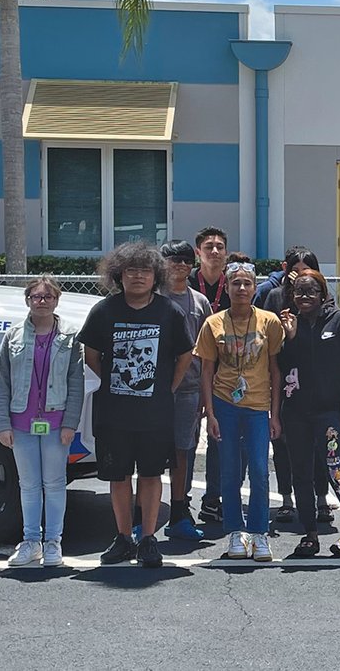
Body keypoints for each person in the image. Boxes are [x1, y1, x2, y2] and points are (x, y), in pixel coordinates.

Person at [80, 243, 193, 568]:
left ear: (155, 275)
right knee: (119, 478)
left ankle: (147, 539)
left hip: (156, 415)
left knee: (150, 474)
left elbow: (185, 355)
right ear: (119, 274)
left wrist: (167, 387)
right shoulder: (104, 311)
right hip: (114, 414)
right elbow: (91, 355)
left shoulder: (169, 311)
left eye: (145, 271)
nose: (138, 276)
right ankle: (123, 538)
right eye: (131, 270)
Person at [196, 254, 285, 562]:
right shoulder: (213, 323)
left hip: (258, 406)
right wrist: (210, 414)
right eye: (236, 283)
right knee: (230, 472)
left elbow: (276, 369)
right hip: (225, 405)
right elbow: (207, 370)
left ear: (255, 286)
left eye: (247, 283)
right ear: (228, 286)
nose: (242, 289)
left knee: (260, 471)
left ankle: (259, 533)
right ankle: (235, 531)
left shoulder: (269, 321)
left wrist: (276, 414)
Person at [0, 275, 85, 567]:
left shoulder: (70, 337)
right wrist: (2, 423)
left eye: (48, 297)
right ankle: (31, 540)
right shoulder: (14, 335)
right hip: (21, 421)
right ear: (28, 300)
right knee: (29, 485)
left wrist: (71, 422)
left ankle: (53, 542)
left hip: (57, 420)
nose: (42, 302)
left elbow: (76, 382)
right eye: (36, 297)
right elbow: (2, 381)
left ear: (57, 300)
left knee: (55, 483)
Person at [277, 269, 340, 557]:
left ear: (323, 294)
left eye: (311, 291)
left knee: (335, 468)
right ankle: (310, 534)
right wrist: (290, 337)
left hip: (328, 412)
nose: (305, 297)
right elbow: (281, 366)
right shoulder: (289, 323)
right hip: (296, 412)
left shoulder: (339, 321)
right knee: (301, 472)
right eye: (299, 292)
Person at [262, 246, 329, 525]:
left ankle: (322, 497)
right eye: (296, 269)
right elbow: (265, 334)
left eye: (307, 269)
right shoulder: (275, 297)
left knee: (319, 447)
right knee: (283, 443)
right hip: (283, 380)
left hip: (315, 384)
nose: (301, 276)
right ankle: (287, 498)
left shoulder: (324, 301)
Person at [157, 240, 214, 541]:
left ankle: (179, 512)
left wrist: (207, 395)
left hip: (190, 388)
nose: (180, 265)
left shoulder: (200, 302)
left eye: (185, 260)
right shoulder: (152, 298)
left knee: (184, 451)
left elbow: (206, 353)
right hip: (155, 390)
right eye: (173, 259)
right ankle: (146, 516)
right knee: (151, 452)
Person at [189, 226, 230, 526]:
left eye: (219, 247)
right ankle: (181, 500)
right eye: (208, 246)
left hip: (226, 374)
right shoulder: (186, 282)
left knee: (219, 437)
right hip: (189, 373)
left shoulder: (236, 284)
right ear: (197, 252)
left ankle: (213, 499)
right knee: (187, 439)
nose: (214, 251)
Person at [254, 245, 321, 309]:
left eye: (305, 271)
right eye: (295, 271)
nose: (300, 275)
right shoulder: (272, 293)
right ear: (286, 268)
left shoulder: (320, 292)